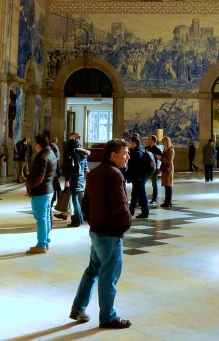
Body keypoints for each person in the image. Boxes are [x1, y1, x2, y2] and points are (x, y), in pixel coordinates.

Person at [69, 138, 132, 329]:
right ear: (113, 155)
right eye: (124, 153)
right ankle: (108, 317)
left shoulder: (94, 173)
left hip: (96, 232)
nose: (127, 157)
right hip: (110, 234)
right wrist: (126, 223)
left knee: (92, 270)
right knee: (108, 276)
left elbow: (85, 203)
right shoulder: (115, 174)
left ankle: (78, 307)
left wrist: (93, 221)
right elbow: (121, 206)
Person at [25, 134, 57, 254]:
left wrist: (30, 185)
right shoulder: (51, 153)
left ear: (38, 144)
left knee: (41, 219)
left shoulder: (43, 157)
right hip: (48, 190)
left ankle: (41, 245)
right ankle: (46, 241)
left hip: (41, 192)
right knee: (46, 218)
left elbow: (39, 178)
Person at [64, 134, 90, 227]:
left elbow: (70, 168)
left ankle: (76, 221)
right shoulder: (83, 154)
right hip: (81, 179)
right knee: (77, 200)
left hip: (75, 179)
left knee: (74, 200)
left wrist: (67, 180)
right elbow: (85, 168)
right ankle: (80, 219)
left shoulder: (72, 154)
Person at [126, 135, 151, 219]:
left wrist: (134, 177)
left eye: (130, 142)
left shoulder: (137, 153)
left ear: (134, 143)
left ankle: (145, 212)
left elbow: (135, 167)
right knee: (135, 194)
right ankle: (131, 210)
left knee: (141, 194)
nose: (129, 144)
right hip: (139, 176)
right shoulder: (139, 149)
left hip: (139, 177)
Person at [145, 135, 162, 205]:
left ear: (153, 141)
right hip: (147, 168)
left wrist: (159, 168)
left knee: (154, 184)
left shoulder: (157, 149)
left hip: (154, 169)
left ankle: (154, 199)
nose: (148, 140)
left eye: (149, 139)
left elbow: (161, 158)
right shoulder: (147, 148)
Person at [160, 136, 175, 208]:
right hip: (165, 169)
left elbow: (169, 161)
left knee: (168, 185)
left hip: (168, 169)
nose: (163, 145)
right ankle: (167, 201)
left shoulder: (171, 150)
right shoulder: (166, 150)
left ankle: (168, 202)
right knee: (166, 185)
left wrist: (161, 158)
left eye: (163, 143)